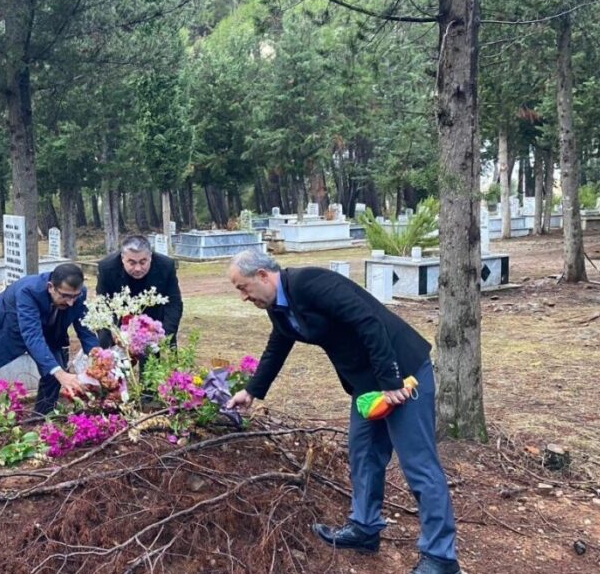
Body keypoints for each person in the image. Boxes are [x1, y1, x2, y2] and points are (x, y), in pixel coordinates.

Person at [224, 249, 461, 574]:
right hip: (367, 384)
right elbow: (279, 344)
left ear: (264, 276)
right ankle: (365, 528)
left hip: (403, 374)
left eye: (243, 287)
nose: (243, 296)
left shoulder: (309, 283)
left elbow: (368, 320)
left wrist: (391, 380)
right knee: (363, 453)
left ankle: (441, 557)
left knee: (419, 464)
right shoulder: (279, 305)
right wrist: (251, 391)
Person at [0, 263, 98, 421]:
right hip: (4, 329)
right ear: (50, 287)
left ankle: (41, 420)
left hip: (48, 330)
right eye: (65, 296)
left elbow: (84, 328)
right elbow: (32, 335)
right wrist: (61, 374)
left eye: (75, 296)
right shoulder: (28, 291)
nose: (70, 303)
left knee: (53, 373)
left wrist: (98, 357)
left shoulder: (78, 294)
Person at [95, 235, 183, 357]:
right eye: (132, 262)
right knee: (114, 365)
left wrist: (165, 335)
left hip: (153, 318)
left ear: (150, 257)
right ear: (122, 258)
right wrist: (113, 331)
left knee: (154, 367)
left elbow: (174, 303)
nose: (137, 268)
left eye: (143, 262)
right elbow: (102, 304)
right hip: (120, 316)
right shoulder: (107, 268)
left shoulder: (166, 266)